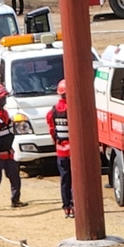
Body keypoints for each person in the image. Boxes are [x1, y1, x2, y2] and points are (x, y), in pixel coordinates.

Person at [0, 84, 26, 210]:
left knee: (15, 177)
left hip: (8, 152)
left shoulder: (5, 113)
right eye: (2, 97)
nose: (5, 99)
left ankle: (15, 200)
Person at [47, 80, 73, 218]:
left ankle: (66, 207)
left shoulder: (53, 111)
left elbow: (52, 130)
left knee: (65, 180)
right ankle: (74, 205)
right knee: (75, 180)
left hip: (61, 150)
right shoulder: (73, 109)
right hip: (73, 151)